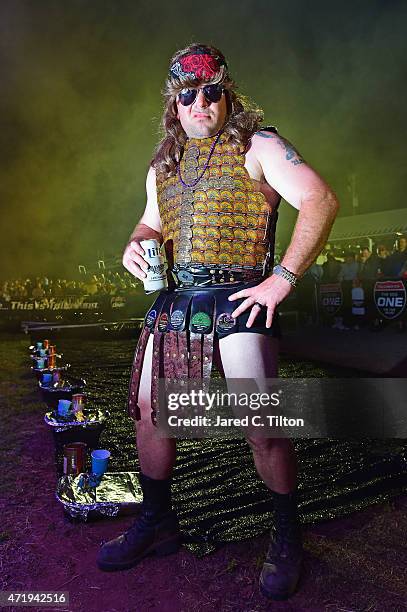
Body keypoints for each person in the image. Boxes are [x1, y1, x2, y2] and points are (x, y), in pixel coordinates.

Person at [97, 44, 339, 600]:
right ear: (174, 107)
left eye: (211, 92)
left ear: (227, 95)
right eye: (189, 95)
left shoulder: (261, 145)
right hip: (177, 301)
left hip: (240, 298)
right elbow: (148, 226)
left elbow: (319, 200)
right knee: (149, 411)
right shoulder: (163, 165)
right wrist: (135, 246)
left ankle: (285, 533)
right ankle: (158, 522)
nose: (200, 102)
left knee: (263, 425)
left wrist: (281, 279)